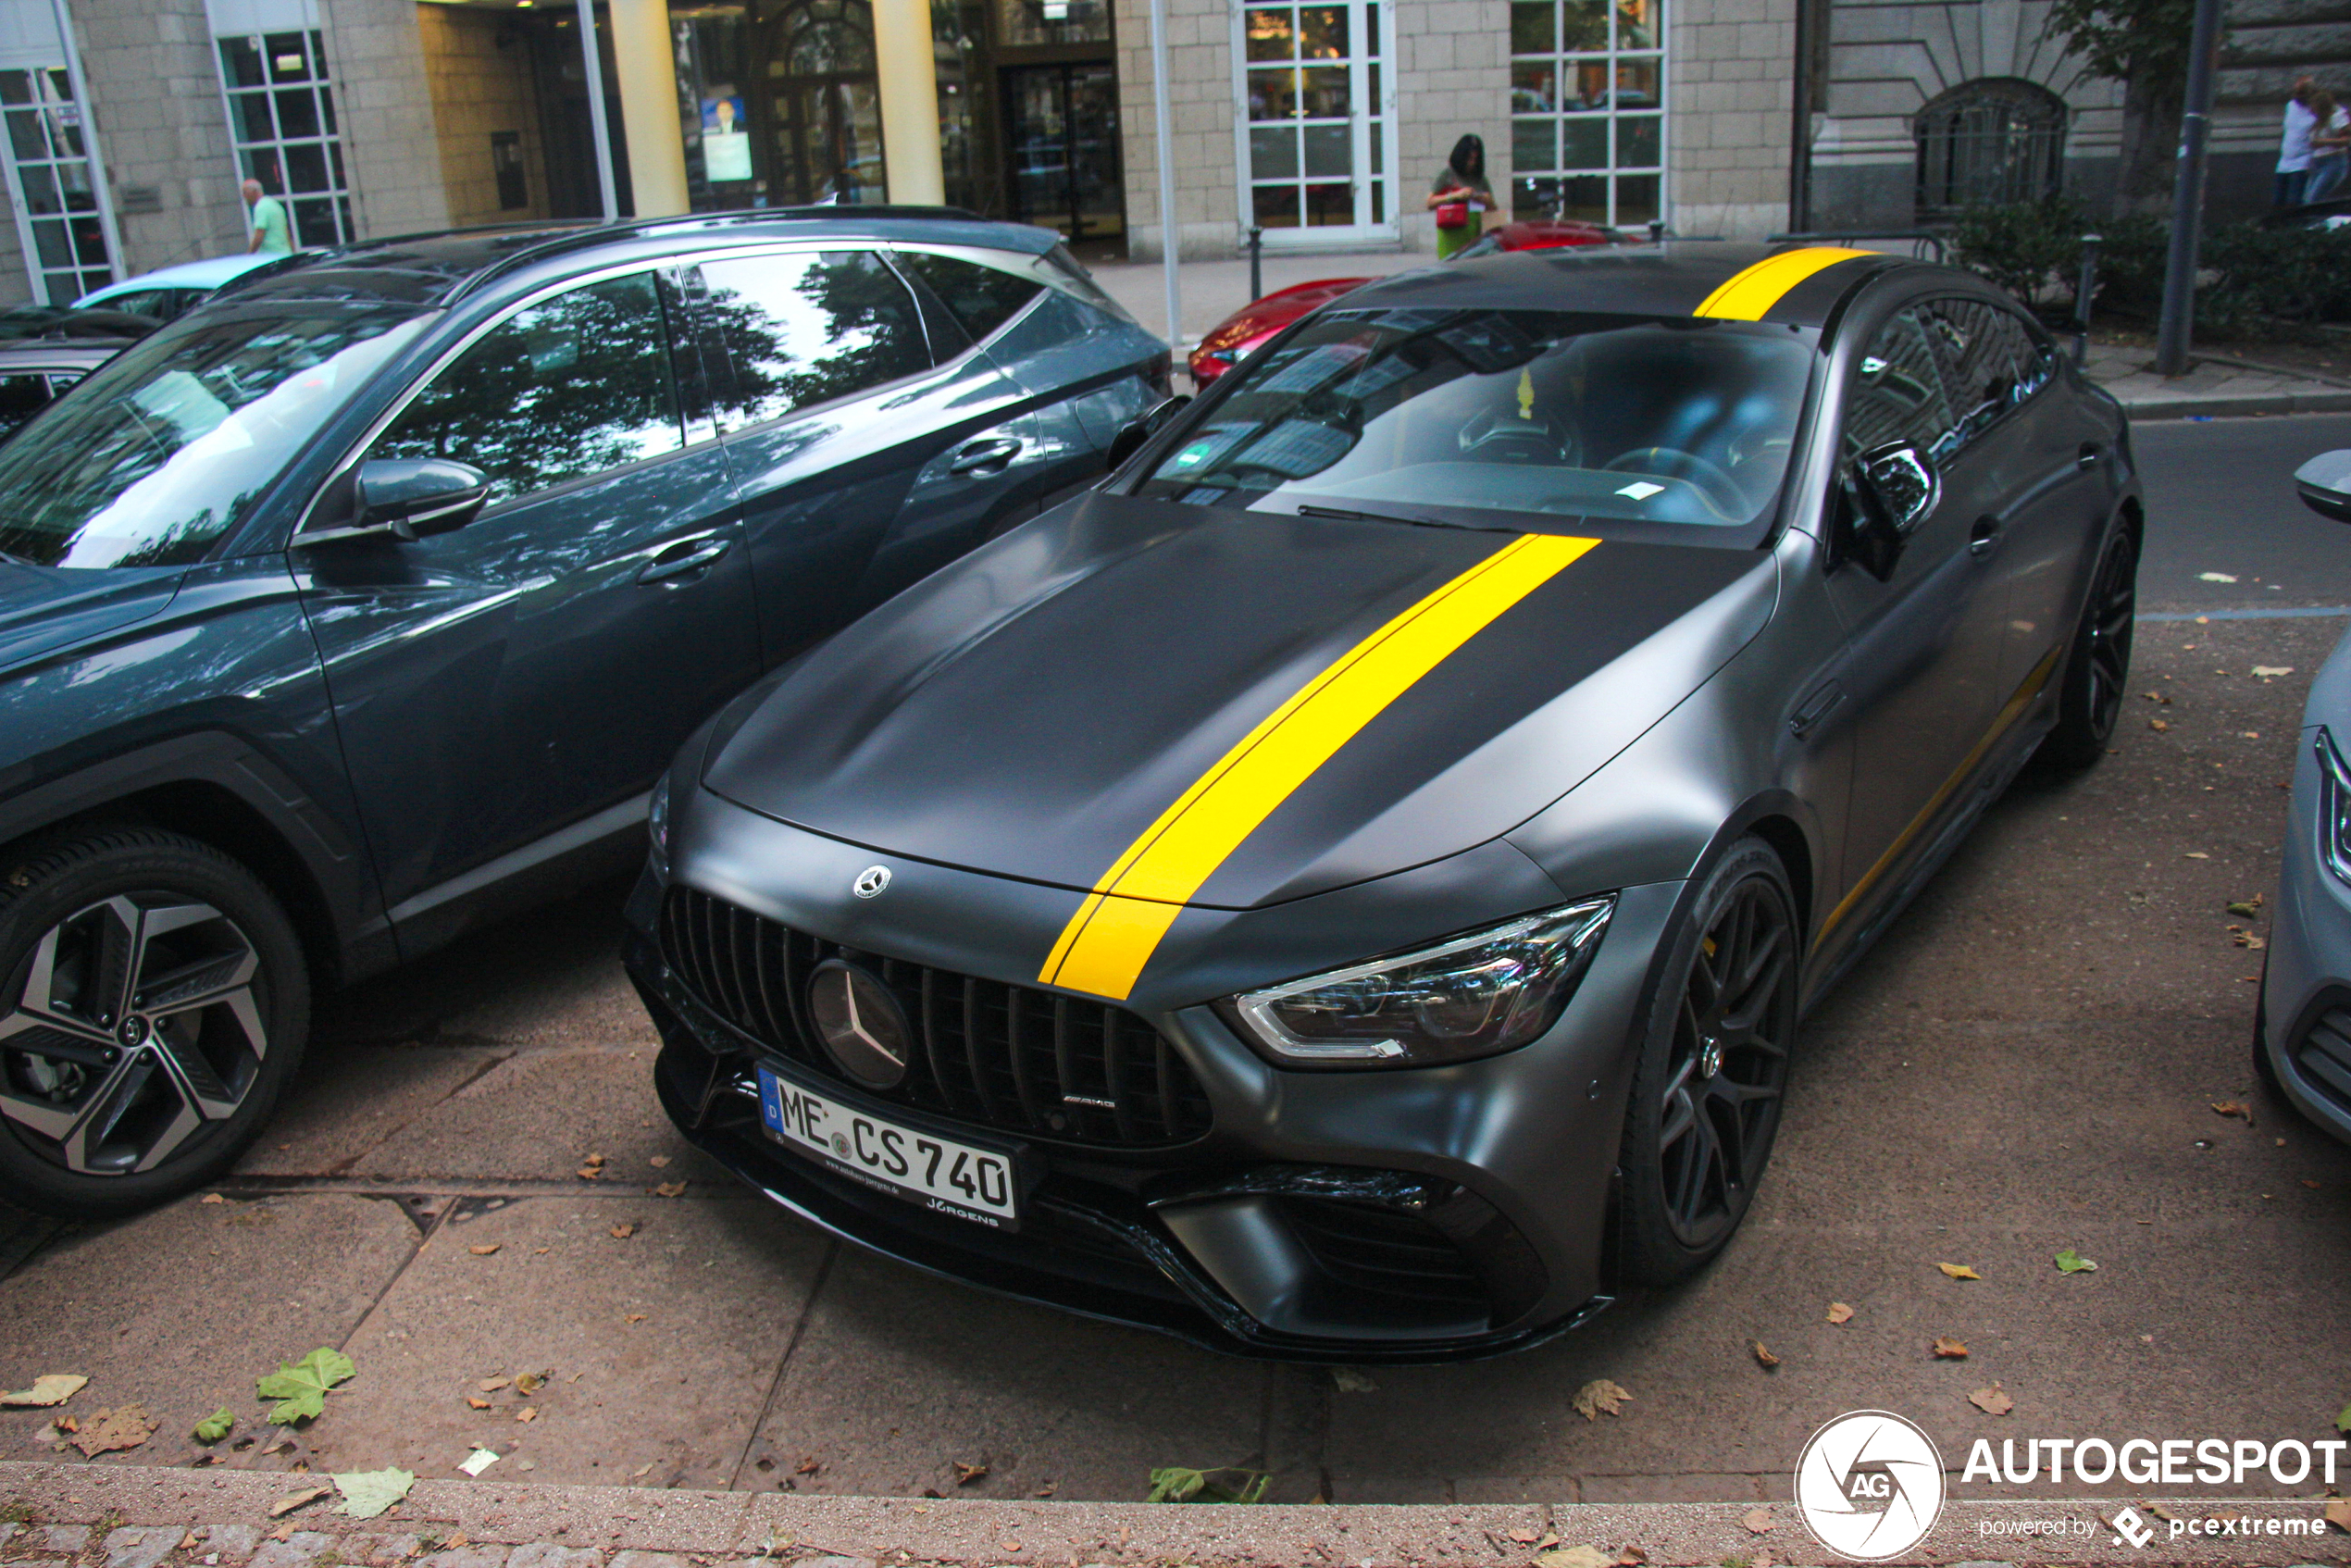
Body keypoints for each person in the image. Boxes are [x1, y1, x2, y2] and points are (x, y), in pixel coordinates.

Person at [1427, 134, 1493, 262]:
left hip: (1474, 233)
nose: (1472, 163)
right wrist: (1455, 195)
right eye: (1469, 159)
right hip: (1451, 232)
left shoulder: (1480, 178)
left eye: (1475, 159)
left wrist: (1487, 200)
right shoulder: (1447, 175)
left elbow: (1493, 208)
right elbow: (1430, 202)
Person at [2276, 76, 2320, 208]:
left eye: (2301, 93)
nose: (2297, 96)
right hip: (2285, 160)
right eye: (2296, 92)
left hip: (2303, 161)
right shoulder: (2290, 106)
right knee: (2278, 201)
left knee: (2294, 201)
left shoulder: (2315, 111)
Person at [2307, 90, 2350, 203]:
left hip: (2333, 161)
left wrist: (2323, 142)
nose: (2312, 112)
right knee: (2308, 200)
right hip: (2317, 161)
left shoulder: (2337, 117)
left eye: (2315, 109)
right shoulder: (2317, 121)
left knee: (2314, 199)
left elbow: (2346, 140)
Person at [243, 179, 292, 255]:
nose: (244, 196)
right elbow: (286, 232)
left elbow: (259, 235)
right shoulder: (275, 205)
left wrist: (248, 256)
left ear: (254, 192)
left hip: (271, 256)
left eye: (245, 192)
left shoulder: (261, 207)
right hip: (285, 253)